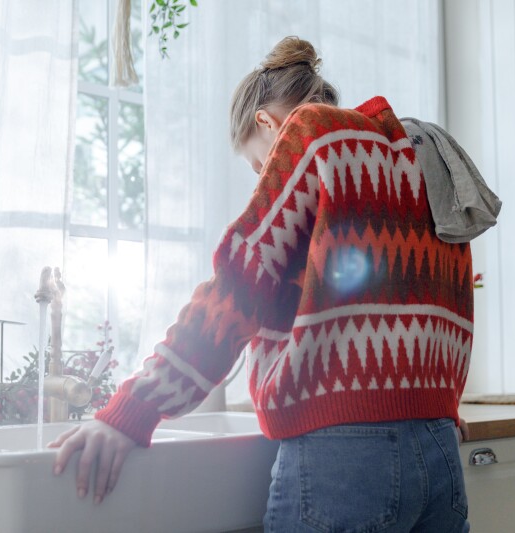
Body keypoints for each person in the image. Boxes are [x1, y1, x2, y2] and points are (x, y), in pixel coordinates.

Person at [50, 36, 473, 532]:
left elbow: (238, 287)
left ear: (268, 124)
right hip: (440, 447)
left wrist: (134, 409)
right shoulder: (417, 155)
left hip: (344, 455)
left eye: (259, 165)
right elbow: (449, 295)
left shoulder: (309, 134)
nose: (263, 179)